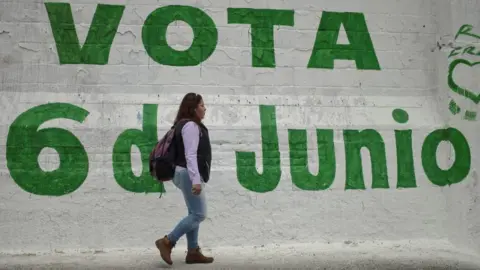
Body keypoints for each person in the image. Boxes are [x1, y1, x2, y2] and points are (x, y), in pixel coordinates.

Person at [155, 93, 214, 265]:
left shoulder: (184, 125)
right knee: (199, 214)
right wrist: (196, 180)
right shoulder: (190, 126)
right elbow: (190, 155)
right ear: (194, 108)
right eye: (202, 105)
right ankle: (167, 242)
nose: (205, 108)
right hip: (188, 173)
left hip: (184, 173)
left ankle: (193, 251)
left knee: (193, 212)